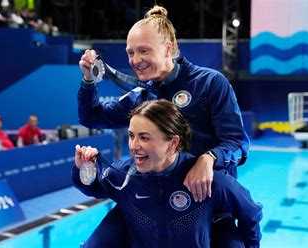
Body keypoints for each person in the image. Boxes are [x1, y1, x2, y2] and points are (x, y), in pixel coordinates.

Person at [78, 5, 250, 247]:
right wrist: (88, 81)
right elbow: (92, 117)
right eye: (130, 53)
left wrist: (209, 158)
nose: (135, 60)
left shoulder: (209, 83)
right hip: (150, 201)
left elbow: (238, 144)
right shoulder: (140, 96)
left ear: (168, 48)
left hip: (209, 205)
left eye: (143, 51)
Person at [73, 99, 262, 248]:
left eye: (144, 138)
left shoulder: (205, 179)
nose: (134, 146)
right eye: (131, 136)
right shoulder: (124, 175)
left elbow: (251, 213)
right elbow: (94, 186)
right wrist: (84, 169)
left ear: (172, 143)